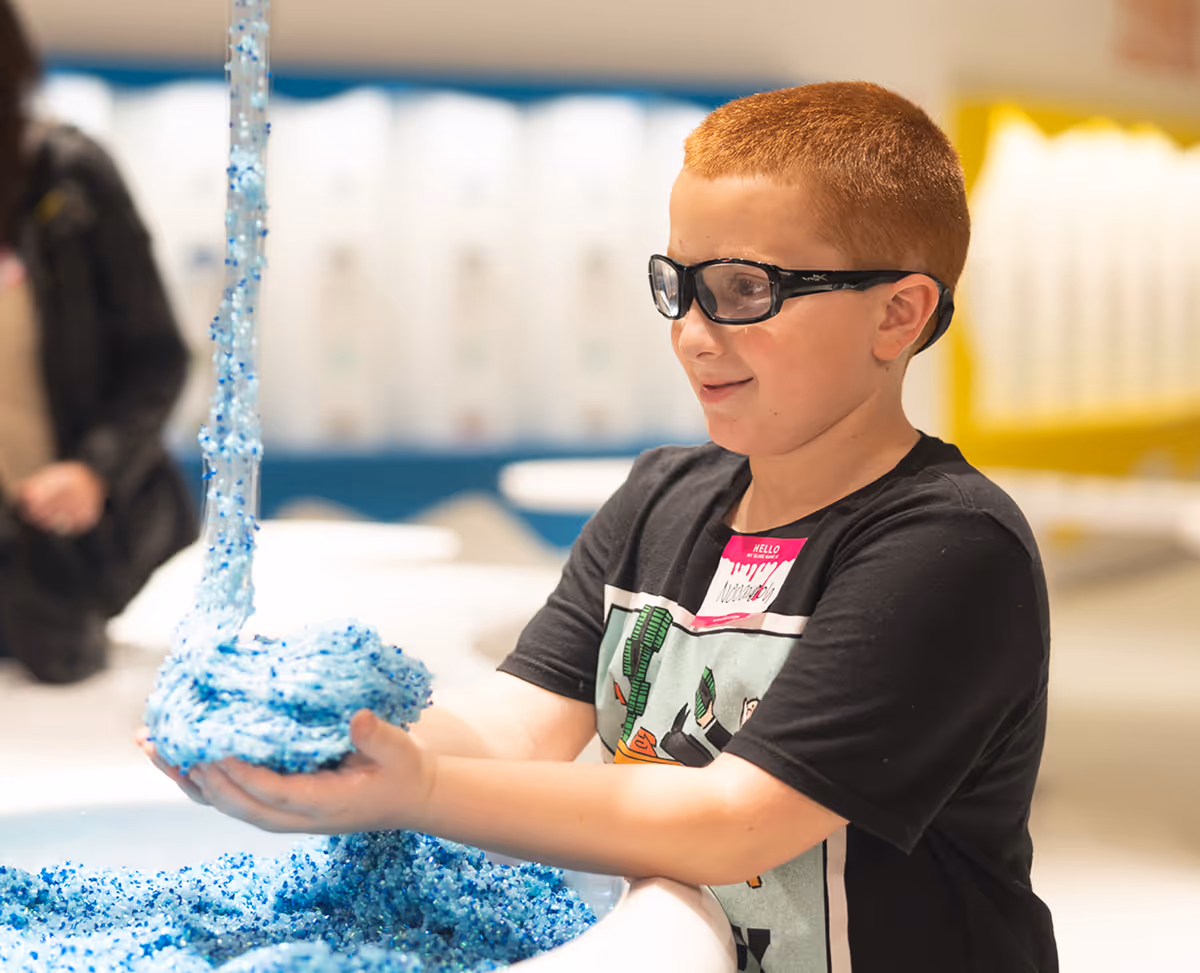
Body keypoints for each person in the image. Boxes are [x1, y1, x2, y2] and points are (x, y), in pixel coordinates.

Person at [145, 81, 1057, 971]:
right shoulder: (665, 496)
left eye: (745, 288)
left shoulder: (948, 547)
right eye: (679, 285)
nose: (694, 334)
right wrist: (329, 744)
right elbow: (518, 722)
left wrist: (417, 789)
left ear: (898, 313)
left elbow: (736, 818)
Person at [0, 0, 197, 683]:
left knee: (59, 678)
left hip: (55, 549)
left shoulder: (67, 176)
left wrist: (95, 468)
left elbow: (159, 355)